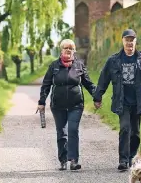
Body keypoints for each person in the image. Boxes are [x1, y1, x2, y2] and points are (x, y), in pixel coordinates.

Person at [93, 29, 141, 172]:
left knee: (135, 133)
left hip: (138, 102)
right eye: (127, 40)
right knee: (125, 128)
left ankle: (131, 157)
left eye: (132, 40)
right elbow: (104, 79)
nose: (129, 43)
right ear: (122, 41)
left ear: (135, 41)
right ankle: (123, 160)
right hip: (122, 101)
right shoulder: (113, 60)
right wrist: (98, 96)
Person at [37, 39, 97, 171]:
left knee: (73, 130)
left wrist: (97, 96)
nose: (68, 50)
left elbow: (88, 83)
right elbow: (46, 85)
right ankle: (63, 160)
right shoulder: (54, 66)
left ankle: (74, 160)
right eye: (66, 47)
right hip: (58, 106)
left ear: (74, 51)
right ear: (61, 50)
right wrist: (42, 102)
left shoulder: (79, 65)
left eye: (71, 48)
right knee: (61, 132)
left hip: (76, 105)